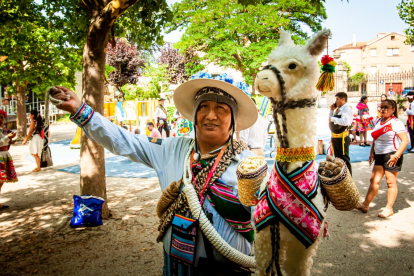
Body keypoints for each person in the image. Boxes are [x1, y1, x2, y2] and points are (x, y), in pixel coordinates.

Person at [49, 78, 259, 275]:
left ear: (233, 119)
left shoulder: (249, 165)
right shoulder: (170, 149)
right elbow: (125, 140)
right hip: (175, 267)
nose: (211, 115)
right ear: (194, 115)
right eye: (203, 107)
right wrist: (80, 110)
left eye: (221, 108)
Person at [356, 100, 409, 218]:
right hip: (379, 155)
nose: (383, 109)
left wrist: (396, 156)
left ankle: (389, 208)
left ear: (393, 109)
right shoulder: (379, 121)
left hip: (392, 155)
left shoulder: (396, 122)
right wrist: (372, 152)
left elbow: (405, 140)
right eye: (381, 107)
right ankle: (365, 205)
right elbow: (375, 138)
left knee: (391, 182)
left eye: (386, 107)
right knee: (373, 180)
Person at [329, 92, 354, 175]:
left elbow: (345, 122)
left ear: (343, 99)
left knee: (344, 159)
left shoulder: (346, 109)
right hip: (336, 137)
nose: (335, 101)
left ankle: (348, 178)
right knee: (338, 159)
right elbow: (330, 119)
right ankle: (341, 178)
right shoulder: (339, 109)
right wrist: (331, 110)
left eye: (337, 99)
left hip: (342, 138)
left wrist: (333, 119)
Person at [0, 109, 18, 210]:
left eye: (2, 117)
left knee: (1, 181)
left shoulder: (3, 129)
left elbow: (4, 142)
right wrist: (7, 137)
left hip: (4, 156)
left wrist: (10, 140)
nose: (1, 119)